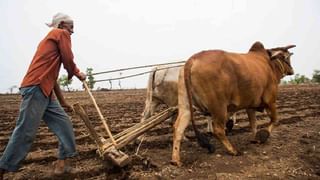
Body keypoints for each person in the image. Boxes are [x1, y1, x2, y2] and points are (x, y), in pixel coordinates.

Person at [0, 13, 86, 179]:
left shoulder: (51, 44)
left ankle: (62, 164)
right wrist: (77, 73)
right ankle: (3, 168)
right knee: (26, 131)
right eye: (71, 27)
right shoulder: (60, 34)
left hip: (45, 90)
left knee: (64, 123)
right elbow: (68, 59)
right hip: (36, 88)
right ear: (62, 25)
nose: (73, 32)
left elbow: (52, 79)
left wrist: (63, 102)